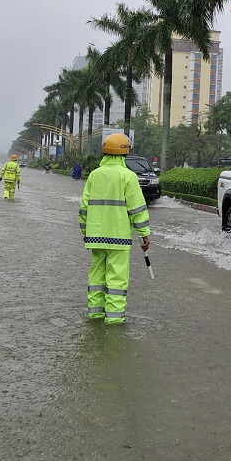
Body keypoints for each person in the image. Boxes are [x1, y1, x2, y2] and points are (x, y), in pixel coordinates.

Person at [78, 134, 150, 324]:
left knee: (96, 276)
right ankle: (114, 320)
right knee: (116, 278)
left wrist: (86, 232)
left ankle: (95, 314)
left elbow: (84, 207)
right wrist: (144, 234)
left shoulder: (94, 175)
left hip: (96, 237)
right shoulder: (129, 176)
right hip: (119, 238)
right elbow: (137, 209)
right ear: (125, 153)